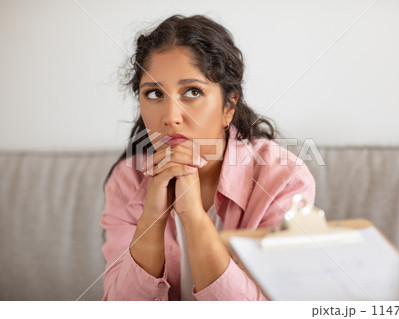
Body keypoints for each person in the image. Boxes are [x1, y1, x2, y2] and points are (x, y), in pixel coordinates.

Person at [100, 14, 316, 301]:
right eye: (154, 93)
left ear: (229, 107)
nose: (171, 117)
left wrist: (193, 216)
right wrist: (152, 218)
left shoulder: (283, 177)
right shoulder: (127, 179)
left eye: (192, 91)